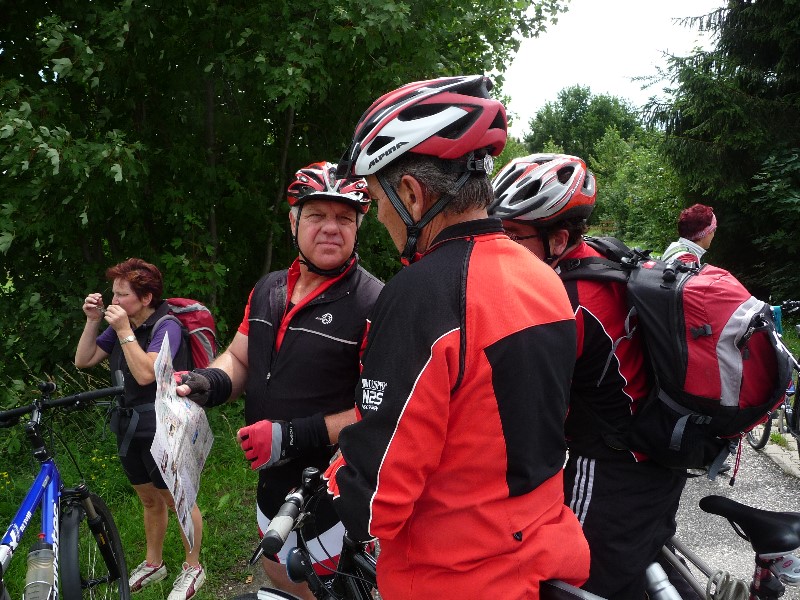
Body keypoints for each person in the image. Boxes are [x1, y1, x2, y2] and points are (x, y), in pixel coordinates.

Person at [326, 75, 590, 600]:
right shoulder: (543, 278)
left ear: (410, 193)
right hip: (541, 552)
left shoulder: (424, 294)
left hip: (456, 576)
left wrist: (331, 494)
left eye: (378, 200)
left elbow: (382, 495)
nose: (380, 218)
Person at [175, 162, 383, 600]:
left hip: (331, 494)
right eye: (316, 216)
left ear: (359, 227)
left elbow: (381, 412)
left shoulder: (374, 302)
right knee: (278, 569)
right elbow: (240, 357)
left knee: (323, 588)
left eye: (344, 218)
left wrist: (290, 435)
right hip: (270, 485)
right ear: (294, 223)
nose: (331, 228)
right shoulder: (268, 288)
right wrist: (207, 382)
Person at [489, 153, 689, 600]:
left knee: (565, 582)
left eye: (514, 236)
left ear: (558, 239)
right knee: (638, 570)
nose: (500, 247)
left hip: (611, 469)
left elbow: (532, 415)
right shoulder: (600, 256)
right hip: (656, 456)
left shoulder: (563, 301)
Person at [75, 258, 206, 600]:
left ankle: (194, 567)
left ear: (146, 297)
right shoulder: (124, 322)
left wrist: (123, 331)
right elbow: (84, 359)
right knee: (149, 499)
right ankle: (154, 563)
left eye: (122, 295)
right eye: (112, 294)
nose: (113, 301)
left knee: (177, 498)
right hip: (129, 423)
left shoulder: (167, 326)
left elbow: (148, 373)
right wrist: (92, 322)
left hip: (163, 425)